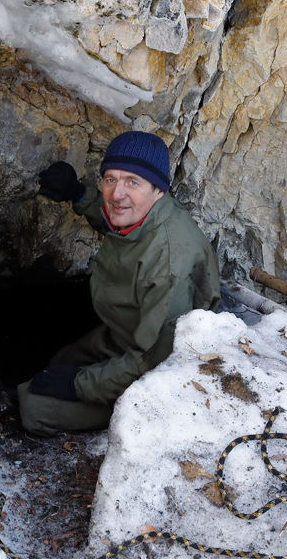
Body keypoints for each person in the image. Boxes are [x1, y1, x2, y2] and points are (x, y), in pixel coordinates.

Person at [20, 131, 220, 436]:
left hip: (158, 366)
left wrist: (78, 386)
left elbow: (154, 361)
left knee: (35, 409)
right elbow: (114, 217)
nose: (116, 193)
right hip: (124, 333)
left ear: (158, 190)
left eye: (132, 182)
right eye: (110, 179)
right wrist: (80, 195)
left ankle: (123, 417)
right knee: (61, 362)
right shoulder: (147, 213)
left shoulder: (168, 264)